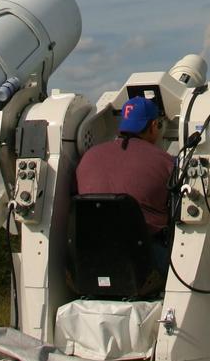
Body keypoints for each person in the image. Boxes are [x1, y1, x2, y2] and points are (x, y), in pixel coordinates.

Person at [75, 95, 174, 272]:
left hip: (90, 260)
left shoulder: (88, 157)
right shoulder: (165, 162)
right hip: (143, 262)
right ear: (154, 126)